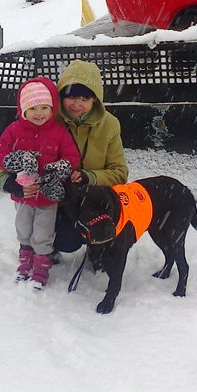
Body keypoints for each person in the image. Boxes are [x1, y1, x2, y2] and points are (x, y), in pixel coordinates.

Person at [0, 77, 81, 289]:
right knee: (23, 228)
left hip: (47, 196)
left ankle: (41, 268)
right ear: (23, 109)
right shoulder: (14, 130)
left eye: (44, 107)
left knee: (43, 233)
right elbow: (1, 153)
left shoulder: (59, 132)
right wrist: (15, 162)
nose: (39, 113)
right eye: (33, 108)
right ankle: (25, 262)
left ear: (52, 109)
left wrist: (58, 168)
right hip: (24, 194)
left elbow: (72, 157)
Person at [54, 59, 129, 254]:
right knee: (66, 243)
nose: (77, 104)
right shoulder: (47, 119)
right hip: (58, 198)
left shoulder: (110, 124)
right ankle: (47, 246)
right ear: (61, 95)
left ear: (94, 99)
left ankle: (98, 248)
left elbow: (119, 173)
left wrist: (90, 177)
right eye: (71, 97)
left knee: (100, 233)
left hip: (93, 199)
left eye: (84, 99)